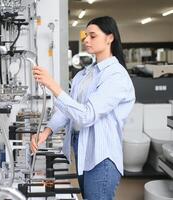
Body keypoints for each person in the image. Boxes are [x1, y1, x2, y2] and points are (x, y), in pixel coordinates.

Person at [31, 16, 135, 200]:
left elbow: (87, 115)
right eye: (85, 35)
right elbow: (67, 110)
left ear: (110, 38)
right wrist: (45, 133)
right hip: (81, 149)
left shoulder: (116, 76)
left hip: (102, 156)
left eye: (92, 36)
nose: (86, 40)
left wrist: (53, 86)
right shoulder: (84, 74)